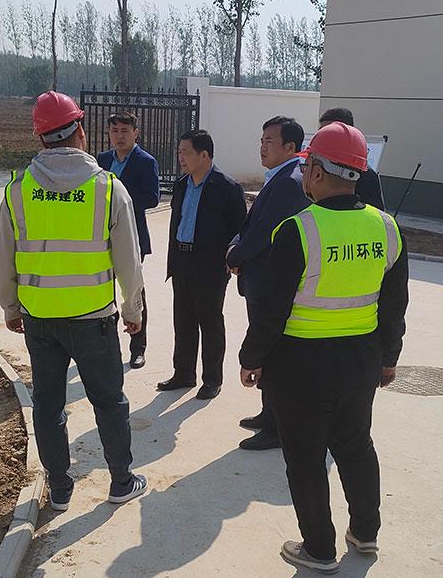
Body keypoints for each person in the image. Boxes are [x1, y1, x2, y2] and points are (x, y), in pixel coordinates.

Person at [239, 122, 409, 574]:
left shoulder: (298, 230)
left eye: (306, 167)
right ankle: (366, 532)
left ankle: (319, 549)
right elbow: (395, 305)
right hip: (360, 361)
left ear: (315, 170)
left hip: (301, 366)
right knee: (356, 447)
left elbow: (271, 310)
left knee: (306, 459)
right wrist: (389, 359)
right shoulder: (387, 228)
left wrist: (251, 359)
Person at [0, 91, 148, 511]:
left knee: (47, 406)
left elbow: (3, 256)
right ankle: (121, 481)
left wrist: (10, 306)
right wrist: (133, 310)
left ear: (40, 137)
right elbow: (129, 262)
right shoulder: (108, 189)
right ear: (80, 129)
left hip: (40, 319)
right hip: (94, 319)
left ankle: (60, 489)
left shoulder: (18, 190)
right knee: (109, 401)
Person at [226, 116, 309, 451]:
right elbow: (253, 225)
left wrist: (236, 255)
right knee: (267, 349)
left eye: (269, 141)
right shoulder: (281, 177)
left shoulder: (289, 182)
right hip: (260, 278)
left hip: (268, 281)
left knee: (271, 352)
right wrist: (237, 247)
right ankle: (268, 414)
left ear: (291, 147)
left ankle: (277, 428)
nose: (262, 147)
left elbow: (263, 233)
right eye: (261, 140)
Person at [159, 129, 247, 401]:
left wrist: (231, 261)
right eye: (179, 152)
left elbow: (240, 230)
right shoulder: (181, 185)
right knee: (183, 320)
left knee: (210, 322)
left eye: (186, 152)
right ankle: (183, 373)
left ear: (204, 155)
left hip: (210, 265)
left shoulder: (227, 188)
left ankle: (212, 379)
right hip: (182, 260)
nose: (180, 157)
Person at [97, 110, 160, 370]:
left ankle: (138, 348)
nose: (119, 136)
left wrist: (120, 201)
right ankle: (106, 348)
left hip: (132, 236)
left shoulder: (146, 162)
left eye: (125, 131)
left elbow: (153, 198)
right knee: (104, 293)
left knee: (134, 292)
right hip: (101, 237)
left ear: (136, 133)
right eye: (115, 131)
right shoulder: (102, 160)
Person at [318, 107, 385, 209]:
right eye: (321, 132)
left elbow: (374, 212)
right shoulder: (317, 165)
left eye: (329, 132)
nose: (322, 137)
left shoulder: (366, 175)